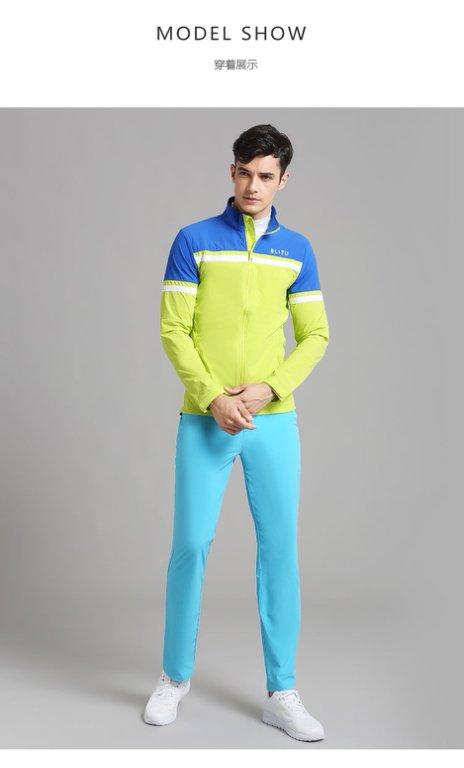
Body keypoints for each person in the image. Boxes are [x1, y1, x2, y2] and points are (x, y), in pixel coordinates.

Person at [144, 124, 330, 742]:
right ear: (232, 172)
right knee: (190, 545)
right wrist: (213, 397)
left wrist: (270, 388)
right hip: (205, 419)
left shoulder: (297, 249)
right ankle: (173, 678)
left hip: (273, 422)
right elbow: (174, 330)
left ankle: (283, 692)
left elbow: (315, 336)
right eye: (245, 173)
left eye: (265, 176)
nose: (253, 185)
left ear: (283, 180)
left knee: (279, 550)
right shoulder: (193, 240)